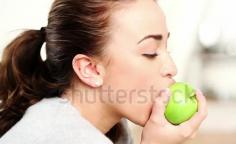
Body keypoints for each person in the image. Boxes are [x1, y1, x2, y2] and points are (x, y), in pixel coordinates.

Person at [0, 0, 208, 143]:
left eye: (166, 49)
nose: (172, 68)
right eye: (151, 52)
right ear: (90, 69)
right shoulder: (65, 137)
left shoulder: (113, 129)